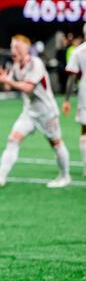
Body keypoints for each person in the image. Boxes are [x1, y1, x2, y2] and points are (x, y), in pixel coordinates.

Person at [0, 35, 71, 188]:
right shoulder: (16, 66)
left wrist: (8, 81)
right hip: (29, 111)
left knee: (55, 143)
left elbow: (28, 87)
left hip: (46, 111)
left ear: (26, 48)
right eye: (11, 47)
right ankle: (1, 175)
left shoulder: (36, 63)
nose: (13, 50)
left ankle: (65, 176)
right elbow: (9, 87)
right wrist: (3, 80)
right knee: (13, 139)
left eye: (17, 47)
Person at [61, 25, 86, 177]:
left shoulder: (78, 51)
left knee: (85, 129)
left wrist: (66, 100)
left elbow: (72, 78)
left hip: (84, 91)